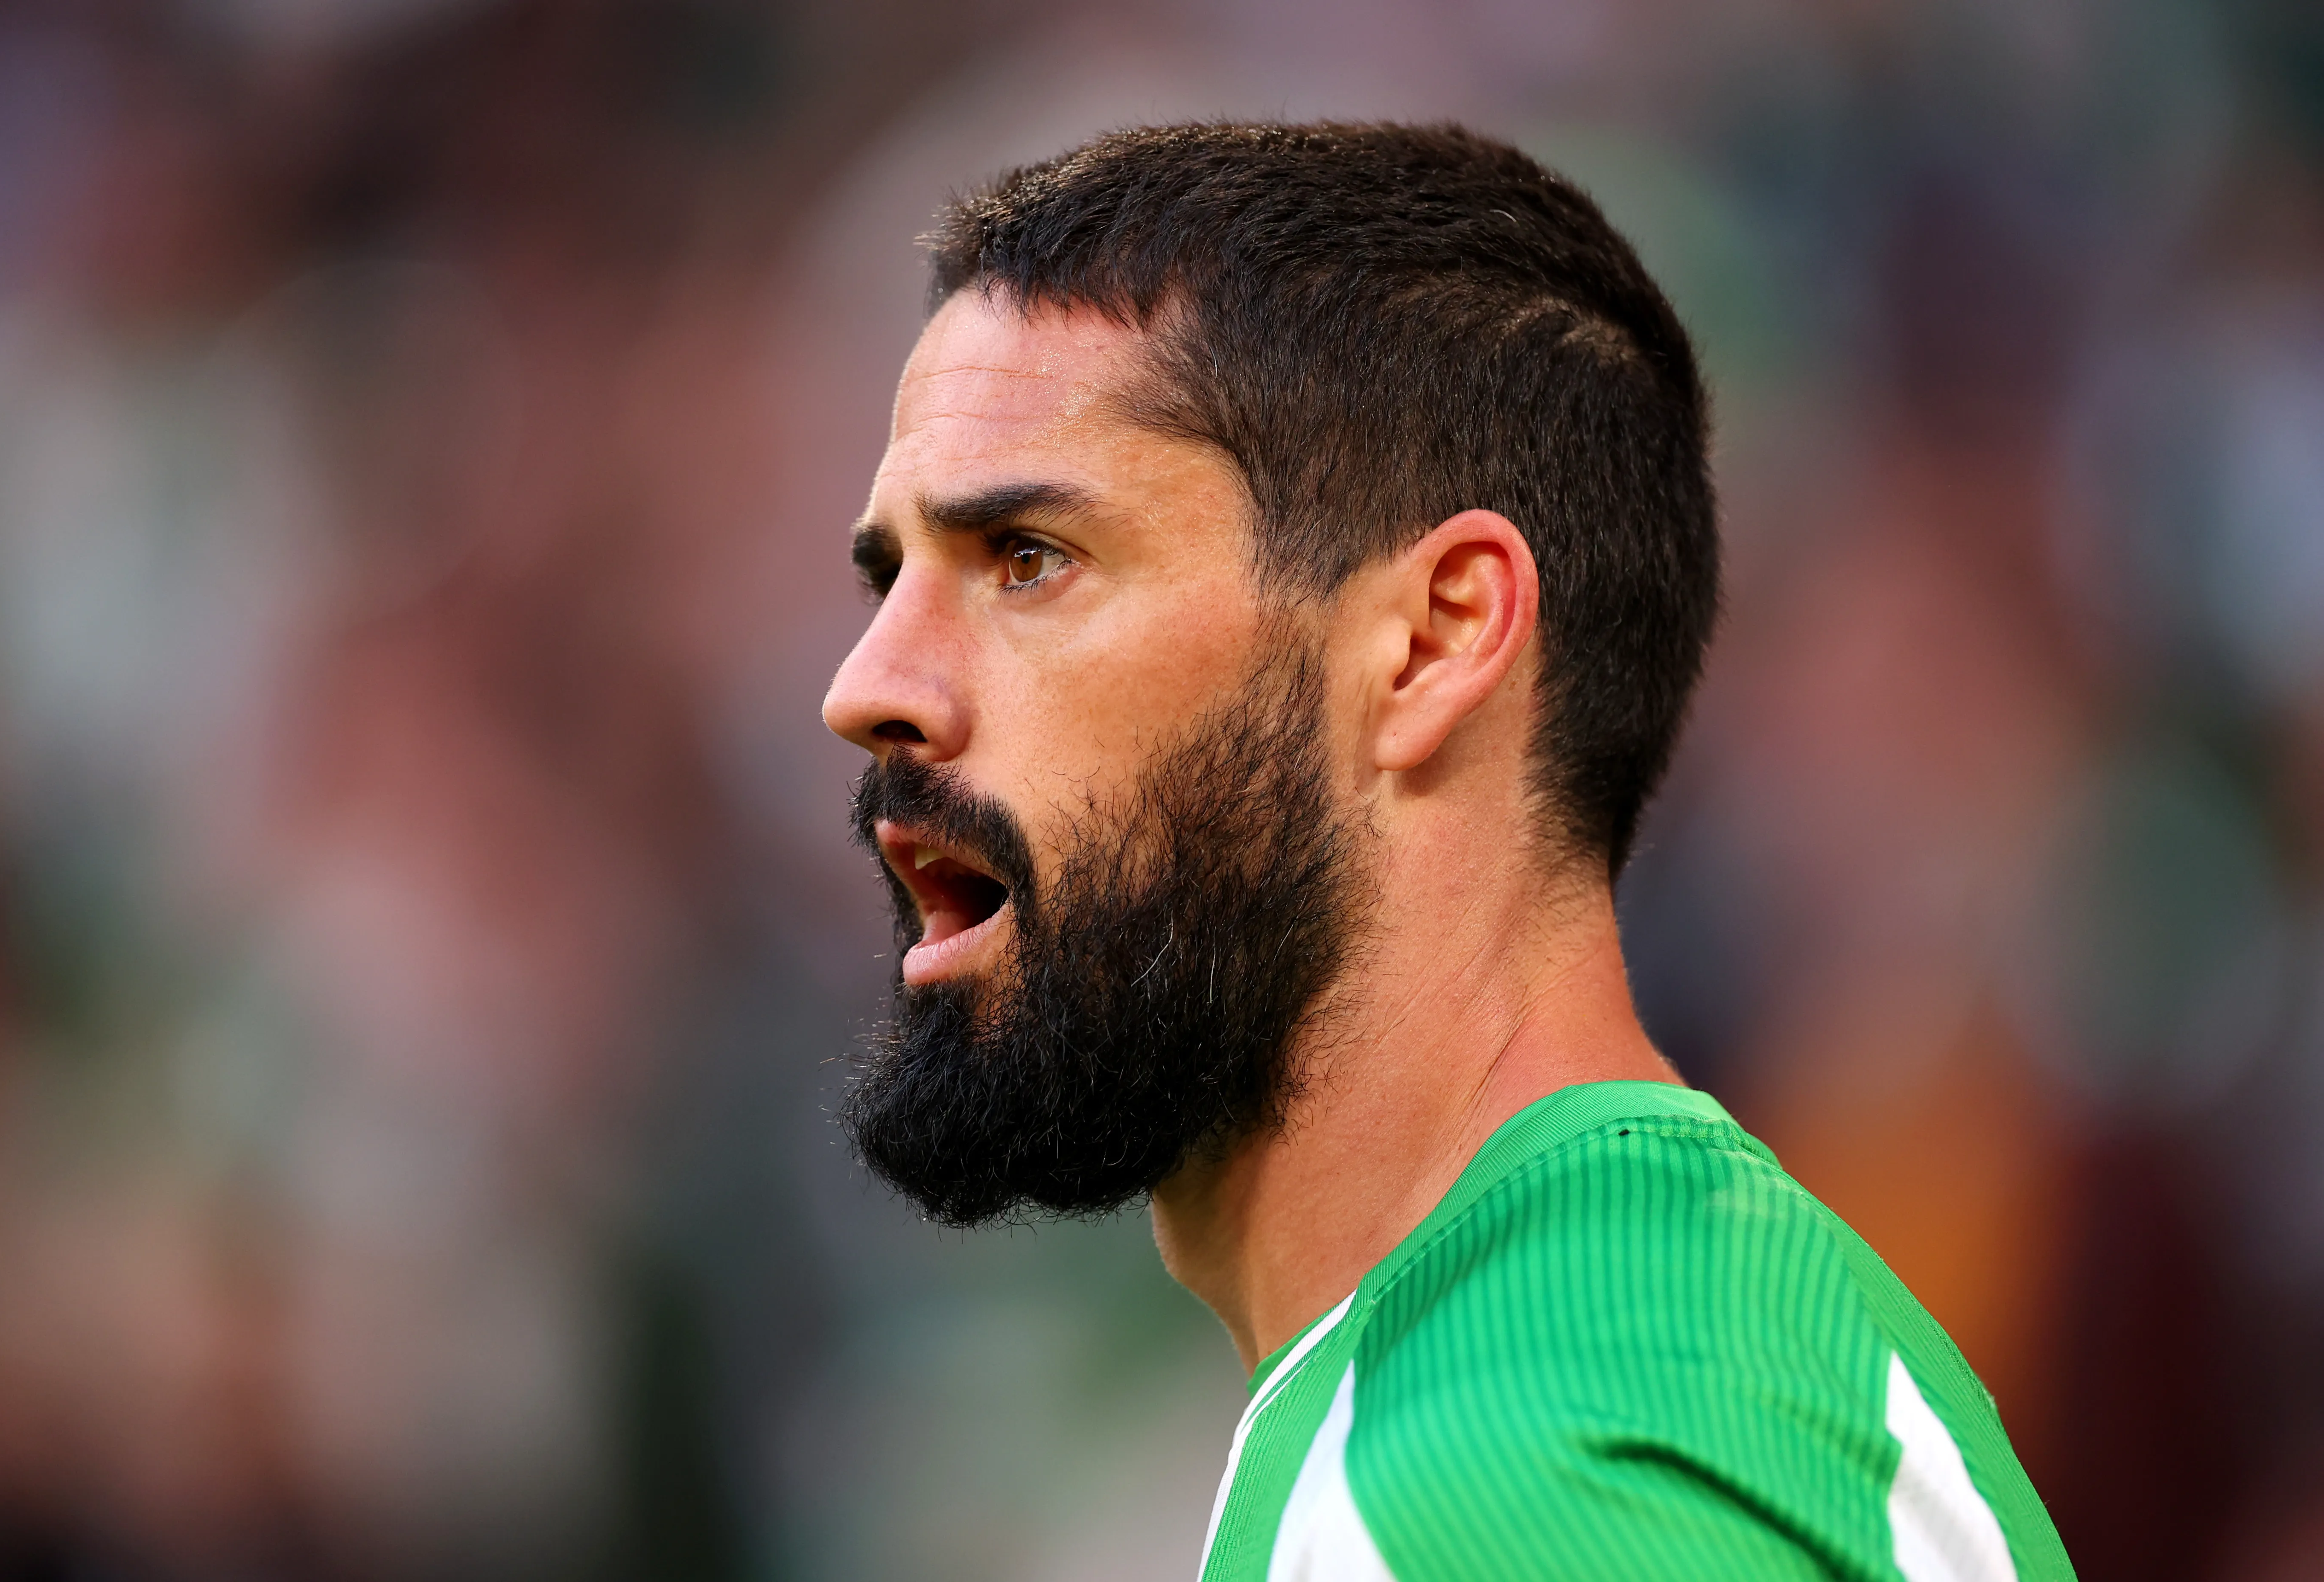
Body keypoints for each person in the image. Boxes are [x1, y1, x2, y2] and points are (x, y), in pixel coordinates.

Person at [820, 121, 2072, 1582]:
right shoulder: (1690, 1330)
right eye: (890, 573)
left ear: (1431, 642)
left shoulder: (1500, 1484)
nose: (864, 687)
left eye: (1028, 557)